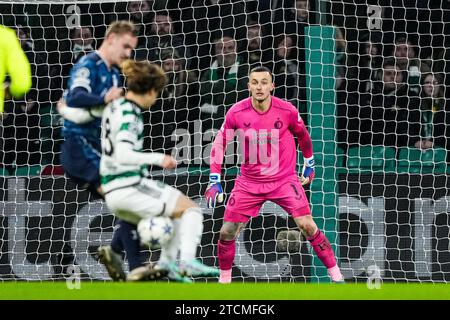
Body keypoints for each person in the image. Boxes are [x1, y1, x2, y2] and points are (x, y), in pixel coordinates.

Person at [205, 66, 345, 284]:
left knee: (307, 225)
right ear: (248, 86)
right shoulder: (236, 112)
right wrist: (214, 179)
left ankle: (337, 277)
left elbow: (304, 137)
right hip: (249, 182)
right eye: (254, 82)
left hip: (284, 180)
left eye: (264, 82)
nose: (259, 87)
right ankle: (224, 283)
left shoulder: (287, 110)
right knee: (226, 232)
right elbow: (219, 144)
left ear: (272, 86)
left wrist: (309, 163)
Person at [100, 59, 220, 283]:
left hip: (112, 188)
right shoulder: (130, 114)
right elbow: (122, 154)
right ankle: (186, 264)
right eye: (157, 93)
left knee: (176, 213)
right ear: (150, 90)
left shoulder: (114, 107)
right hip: (128, 185)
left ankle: (167, 265)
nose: (156, 99)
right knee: (192, 210)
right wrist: (159, 158)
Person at [57, 21, 151, 282]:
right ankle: (134, 270)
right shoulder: (88, 65)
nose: (128, 54)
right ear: (110, 39)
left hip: (97, 148)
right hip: (79, 147)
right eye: (125, 46)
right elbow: (75, 96)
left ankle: (114, 255)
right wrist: (105, 100)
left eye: (132, 49)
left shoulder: (112, 74)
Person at [0, 24, 32, 114]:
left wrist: (33, 100)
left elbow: (44, 83)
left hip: (31, 111)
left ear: (26, 36)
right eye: (14, 34)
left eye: (21, 33)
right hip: (7, 112)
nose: (18, 37)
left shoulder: (35, 58)